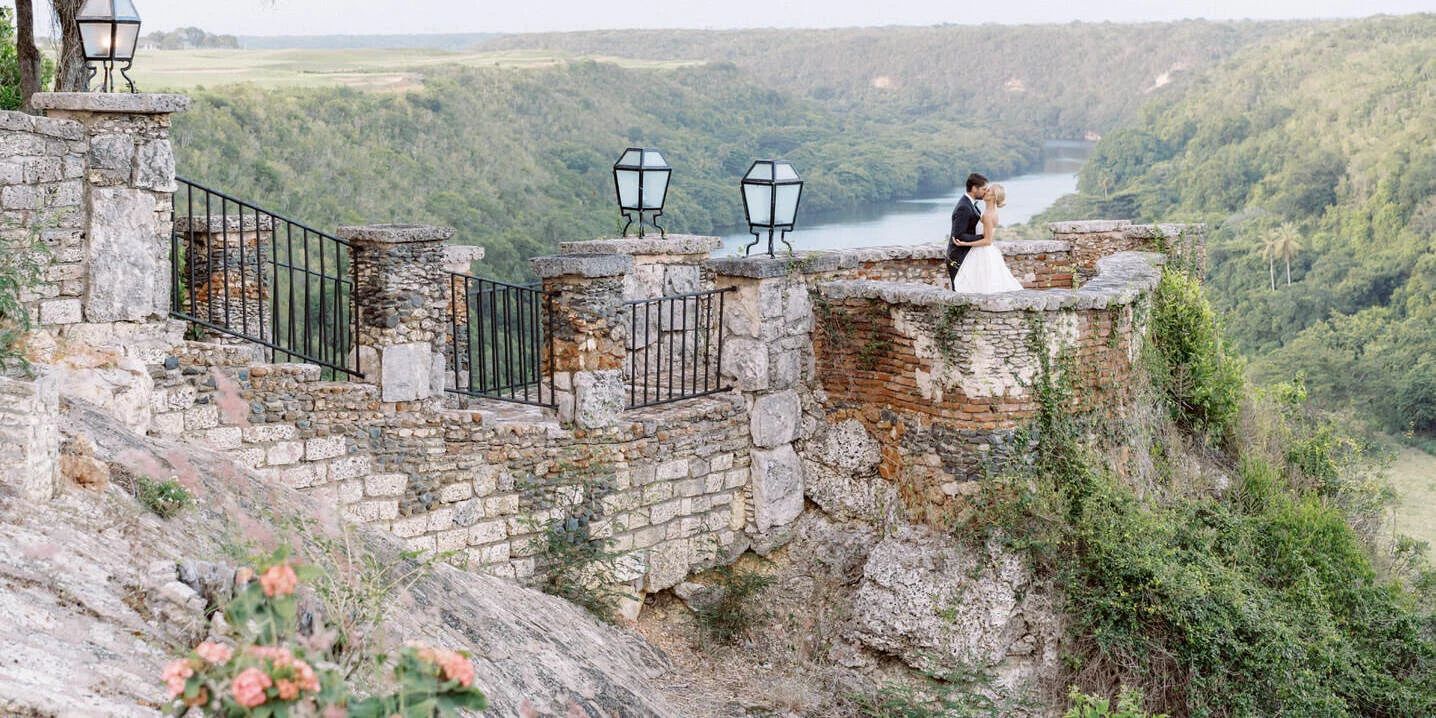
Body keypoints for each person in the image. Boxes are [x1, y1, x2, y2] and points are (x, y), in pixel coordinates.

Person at [950, 184, 1023, 293]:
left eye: (989, 191)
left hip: (982, 253)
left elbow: (988, 240)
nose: (985, 191)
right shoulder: (989, 212)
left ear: (994, 196)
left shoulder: (988, 215)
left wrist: (964, 243)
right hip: (983, 251)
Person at [947, 173, 988, 288]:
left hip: (968, 255)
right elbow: (959, 236)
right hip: (959, 257)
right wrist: (983, 237)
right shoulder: (964, 207)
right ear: (974, 188)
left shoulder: (971, 204)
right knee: (961, 291)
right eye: (983, 189)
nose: (985, 192)